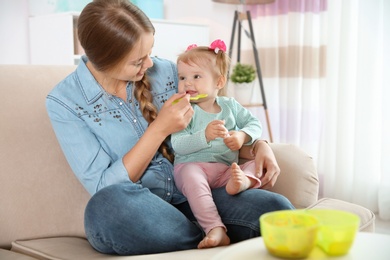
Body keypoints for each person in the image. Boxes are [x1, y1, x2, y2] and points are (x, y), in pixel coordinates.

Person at [46, 0, 294, 256]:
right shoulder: (65, 103)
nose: (150, 65)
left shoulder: (170, 72)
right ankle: (206, 233)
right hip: (145, 210)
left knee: (277, 207)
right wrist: (159, 129)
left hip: (199, 193)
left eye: (149, 53)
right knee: (106, 207)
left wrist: (258, 146)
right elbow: (103, 186)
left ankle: (209, 231)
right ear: (104, 62)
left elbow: (217, 119)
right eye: (138, 61)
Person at [172, 39, 265, 249]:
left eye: (196, 76)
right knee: (191, 176)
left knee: (252, 165)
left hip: (224, 171)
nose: (187, 83)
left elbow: (254, 123)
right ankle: (215, 228)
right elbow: (177, 145)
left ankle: (245, 181)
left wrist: (242, 136)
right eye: (182, 77)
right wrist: (204, 135)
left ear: (219, 82)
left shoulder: (229, 105)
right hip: (192, 167)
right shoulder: (183, 108)